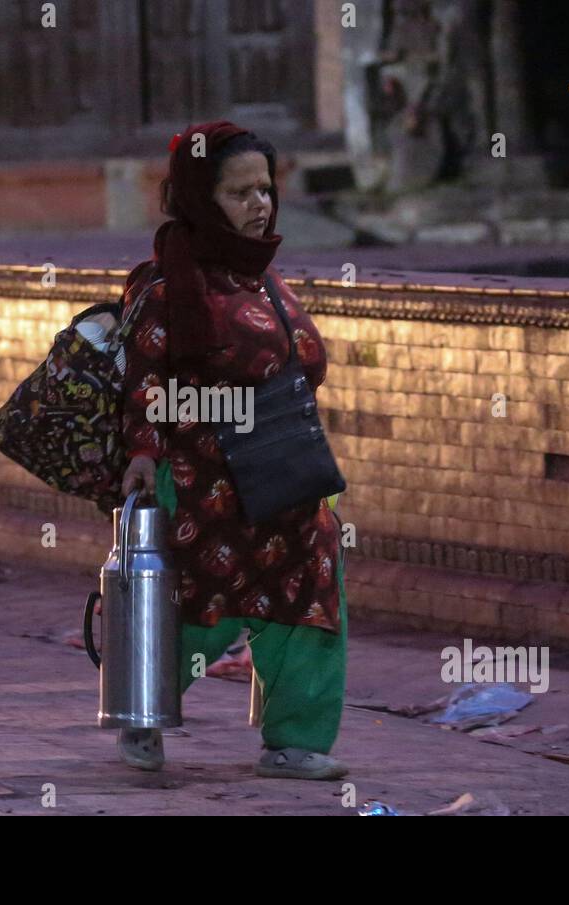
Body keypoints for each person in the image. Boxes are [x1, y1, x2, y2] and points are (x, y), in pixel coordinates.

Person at [116, 121, 349, 780]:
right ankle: (142, 711)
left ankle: (296, 740)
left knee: (309, 604)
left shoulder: (265, 280)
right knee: (193, 611)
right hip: (204, 485)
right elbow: (144, 379)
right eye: (239, 192)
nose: (260, 204)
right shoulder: (165, 287)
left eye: (265, 189)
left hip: (289, 480)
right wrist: (142, 453)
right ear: (198, 196)